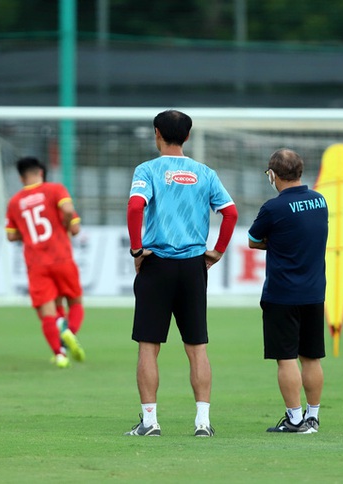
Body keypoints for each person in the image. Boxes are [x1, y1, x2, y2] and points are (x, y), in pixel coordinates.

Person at [124, 110, 238, 437]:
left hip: (156, 263)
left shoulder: (147, 170)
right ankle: (202, 422)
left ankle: (149, 422)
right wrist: (217, 251)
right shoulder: (205, 173)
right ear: (187, 137)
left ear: (156, 133)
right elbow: (229, 213)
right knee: (197, 346)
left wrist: (136, 249)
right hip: (193, 266)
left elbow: (135, 207)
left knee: (149, 345)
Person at [248, 148, 328, 434]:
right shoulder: (320, 201)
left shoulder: (273, 208)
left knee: (286, 358)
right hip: (315, 291)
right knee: (312, 357)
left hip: (282, 293)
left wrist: (278, 242)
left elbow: (253, 240)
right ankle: (313, 416)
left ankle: (295, 419)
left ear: (272, 175)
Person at [5, 156, 86, 369]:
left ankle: (59, 354)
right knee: (75, 302)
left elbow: (11, 236)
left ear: (22, 177)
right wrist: (65, 225)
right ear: (40, 172)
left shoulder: (15, 202)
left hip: (36, 263)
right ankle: (68, 331)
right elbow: (71, 218)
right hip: (61, 257)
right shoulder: (55, 190)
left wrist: (28, 234)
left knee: (47, 311)